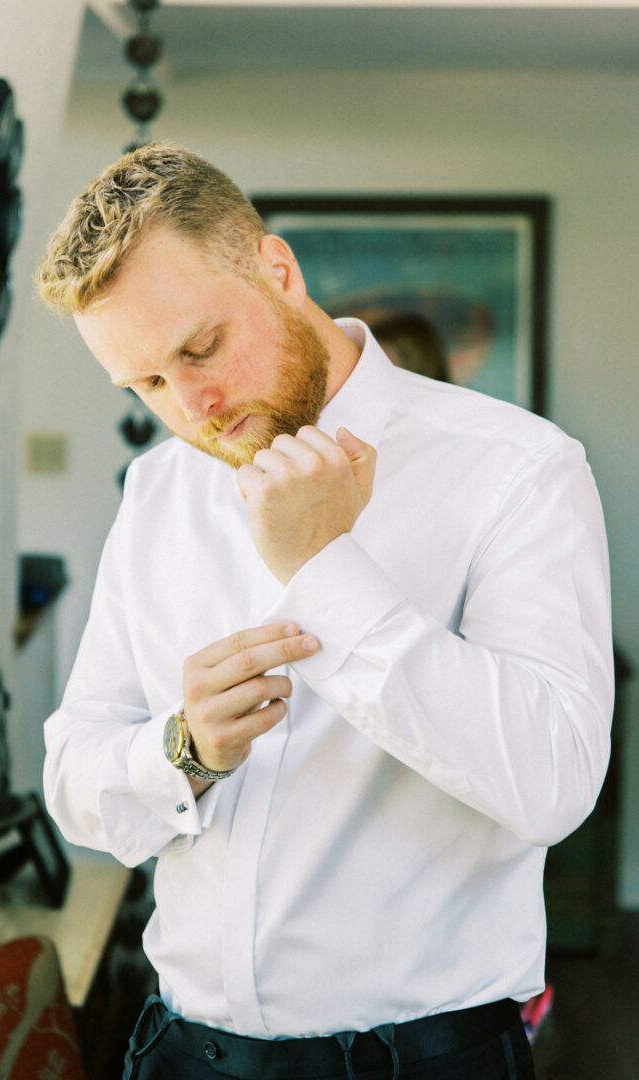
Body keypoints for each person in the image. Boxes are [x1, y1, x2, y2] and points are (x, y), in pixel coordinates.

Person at [35, 143, 611, 1080]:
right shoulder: (155, 491)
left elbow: (553, 782)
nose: (192, 406)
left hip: (420, 1063)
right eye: (144, 385)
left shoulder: (517, 469)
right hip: (181, 1055)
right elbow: (72, 772)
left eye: (200, 347)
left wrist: (326, 570)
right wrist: (185, 750)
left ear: (276, 267)